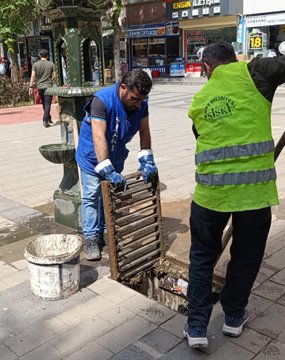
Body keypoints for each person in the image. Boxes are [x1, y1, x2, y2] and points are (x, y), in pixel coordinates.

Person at [184, 41, 285, 349]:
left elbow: (203, 137)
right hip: (254, 196)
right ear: (234, 59)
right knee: (246, 257)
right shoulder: (256, 72)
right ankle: (233, 318)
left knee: (202, 258)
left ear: (207, 68)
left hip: (210, 197)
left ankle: (197, 326)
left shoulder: (199, 101)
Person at [75, 69, 157, 261]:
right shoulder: (101, 101)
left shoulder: (141, 104)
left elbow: (145, 131)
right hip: (92, 157)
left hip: (116, 155)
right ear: (123, 88)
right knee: (92, 196)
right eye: (135, 99)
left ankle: (106, 231)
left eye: (142, 100)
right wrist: (106, 167)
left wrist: (147, 159)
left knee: (110, 195)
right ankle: (91, 238)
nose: (138, 105)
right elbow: (98, 136)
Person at [28, 49, 55, 128]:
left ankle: (48, 117)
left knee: (44, 103)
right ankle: (45, 119)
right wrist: (51, 80)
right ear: (47, 55)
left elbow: (33, 75)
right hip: (48, 86)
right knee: (48, 104)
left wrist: (30, 86)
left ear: (40, 56)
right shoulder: (51, 64)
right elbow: (55, 75)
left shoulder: (35, 64)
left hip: (40, 86)